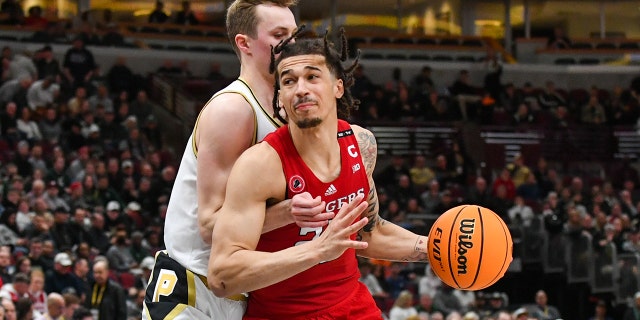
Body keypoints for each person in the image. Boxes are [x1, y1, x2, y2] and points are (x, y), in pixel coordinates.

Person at [208, 28, 431, 319]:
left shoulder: (361, 145)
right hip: (282, 313)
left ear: (338, 87)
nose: (300, 88)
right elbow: (222, 276)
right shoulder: (260, 165)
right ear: (281, 96)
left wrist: (433, 249)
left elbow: (369, 233)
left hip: (353, 305)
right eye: (288, 81)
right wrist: (318, 251)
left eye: (312, 76)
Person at [143, 1, 328, 319]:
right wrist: (289, 212)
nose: (292, 44)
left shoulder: (288, 113)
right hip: (194, 288)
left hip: (245, 290)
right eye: (279, 34)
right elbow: (210, 225)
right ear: (244, 44)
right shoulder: (234, 109)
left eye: (295, 34)